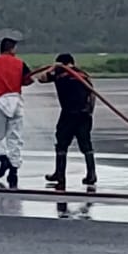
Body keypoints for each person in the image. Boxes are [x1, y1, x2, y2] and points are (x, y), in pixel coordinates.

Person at [37, 52, 97, 190]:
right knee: (86, 144)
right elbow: (92, 94)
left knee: (62, 143)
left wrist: (52, 68)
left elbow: (41, 78)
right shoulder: (83, 74)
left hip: (69, 113)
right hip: (84, 113)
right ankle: (91, 174)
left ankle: (60, 174)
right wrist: (89, 112)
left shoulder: (58, 73)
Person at [0, 36, 33, 188]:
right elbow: (28, 80)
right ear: (12, 49)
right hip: (16, 102)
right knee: (14, 138)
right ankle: (14, 170)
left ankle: (2, 158)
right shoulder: (20, 63)